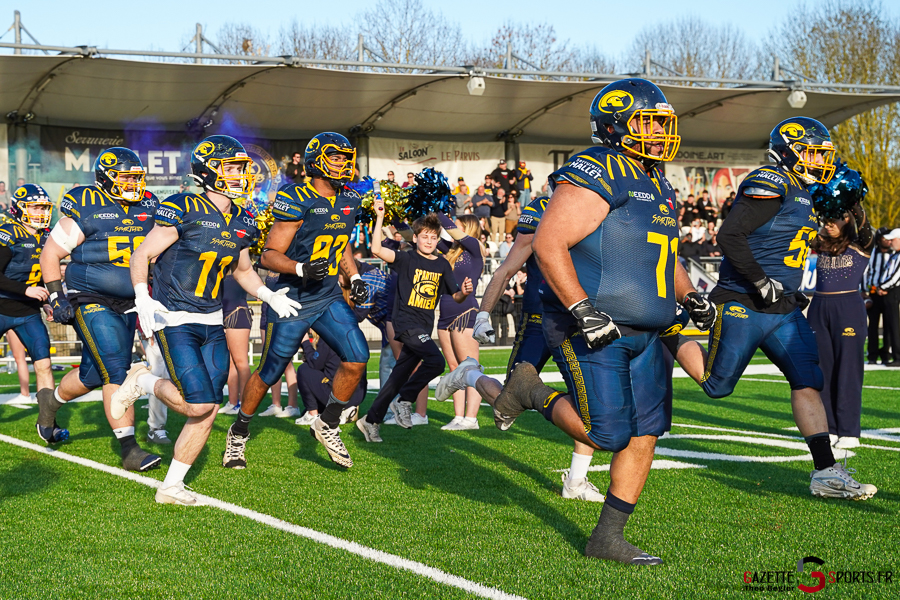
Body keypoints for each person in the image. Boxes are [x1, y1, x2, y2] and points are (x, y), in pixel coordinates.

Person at [475, 79, 718, 565]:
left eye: (661, 123)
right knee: (607, 434)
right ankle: (529, 392)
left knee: (647, 432)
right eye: (646, 123)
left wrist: (690, 295)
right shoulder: (599, 166)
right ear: (614, 125)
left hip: (649, 331)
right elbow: (548, 243)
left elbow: (660, 253)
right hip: (597, 327)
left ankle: (607, 537)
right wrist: (583, 309)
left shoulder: (656, 180)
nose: (658, 133)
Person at [673, 117, 877, 500]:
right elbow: (730, 234)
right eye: (811, 151)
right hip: (744, 302)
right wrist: (759, 280)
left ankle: (825, 472)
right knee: (718, 387)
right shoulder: (771, 180)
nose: (818, 159)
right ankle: (668, 332)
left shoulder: (805, 190)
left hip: (784, 308)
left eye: (821, 153)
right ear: (787, 150)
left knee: (807, 380)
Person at [115, 135, 300, 505]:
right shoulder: (182, 205)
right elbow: (142, 254)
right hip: (175, 317)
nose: (240, 174)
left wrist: (265, 294)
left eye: (242, 168)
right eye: (231, 167)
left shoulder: (244, 218)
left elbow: (243, 269)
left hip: (213, 319)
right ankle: (144, 380)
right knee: (197, 404)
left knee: (210, 407)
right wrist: (141, 295)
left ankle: (170, 487)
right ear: (208, 170)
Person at [222, 132, 369, 470]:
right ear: (317, 159)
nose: (343, 163)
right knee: (270, 372)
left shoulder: (349, 199)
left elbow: (340, 243)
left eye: (347, 158)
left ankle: (327, 423)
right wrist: (301, 267)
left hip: (328, 294)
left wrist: (355, 277)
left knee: (357, 357)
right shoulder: (297, 197)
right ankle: (239, 431)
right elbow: (269, 256)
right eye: (336, 157)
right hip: (292, 297)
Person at [38, 149, 162, 469]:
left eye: (137, 176)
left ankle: (50, 403)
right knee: (116, 368)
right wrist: (56, 298)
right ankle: (129, 449)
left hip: (131, 301)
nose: (134, 183)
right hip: (89, 296)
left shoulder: (148, 205)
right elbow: (50, 255)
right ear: (105, 177)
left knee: (92, 375)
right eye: (126, 176)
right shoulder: (86, 204)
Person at [356, 205, 472, 442]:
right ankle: (404, 400)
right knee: (436, 361)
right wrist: (379, 218)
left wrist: (466, 292)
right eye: (425, 237)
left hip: (424, 325)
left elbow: (455, 295)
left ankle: (370, 420)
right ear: (416, 237)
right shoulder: (405, 258)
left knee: (397, 376)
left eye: (433, 237)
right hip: (406, 324)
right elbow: (376, 249)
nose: (429, 241)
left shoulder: (441, 264)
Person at [808, 192, 874, 450]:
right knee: (822, 370)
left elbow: (866, 225)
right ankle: (829, 428)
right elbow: (803, 223)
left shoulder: (861, 244)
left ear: (847, 220)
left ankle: (849, 430)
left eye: (835, 218)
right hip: (819, 307)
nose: (828, 223)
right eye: (826, 218)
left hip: (848, 308)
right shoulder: (820, 242)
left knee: (848, 370)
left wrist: (851, 200)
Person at [0, 185, 57, 438]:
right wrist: (26, 290)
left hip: (27, 311)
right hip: (1, 306)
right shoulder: (7, 233)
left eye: (44, 207)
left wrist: (46, 299)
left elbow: (43, 274)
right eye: (35, 207)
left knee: (44, 363)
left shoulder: (47, 236)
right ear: (19, 208)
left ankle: (47, 424)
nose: (41, 212)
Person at [435, 214, 484, 430]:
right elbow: (415, 237)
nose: (452, 230)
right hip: (445, 311)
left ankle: (471, 418)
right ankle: (458, 417)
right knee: (454, 368)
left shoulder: (474, 248)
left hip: (465, 311)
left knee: (470, 367)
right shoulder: (451, 251)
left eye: (459, 226)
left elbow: (447, 225)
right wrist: (399, 218)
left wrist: (436, 208)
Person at [296, 331, 366, 424]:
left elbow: (315, 363)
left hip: (339, 391)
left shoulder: (328, 336)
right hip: (357, 393)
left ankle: (312, 414)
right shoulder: (355, 333)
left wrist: (305, 342)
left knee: (304, 369)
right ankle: (347, 409)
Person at [219, 273, 252, 415]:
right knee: (230, 363)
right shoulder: (221, 269)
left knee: (241, 362)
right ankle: (232, 402)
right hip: (223, 316)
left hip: (237, 314)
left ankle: (246, 404)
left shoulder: (241, 271)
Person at [863, 227, 894, 363]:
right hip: (874, 293)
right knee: (873, 325)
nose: (887, 241)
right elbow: (865, 272)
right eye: (884, 238)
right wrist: (865, 291)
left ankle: (886, 354)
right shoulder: (873, 253)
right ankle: (872, 355)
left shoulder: (894, 255)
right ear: (879, 239)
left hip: (888, 293)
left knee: (888, 325)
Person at [878, 228, 900, 365]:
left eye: (893, 239)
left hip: (893, 292)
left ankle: (898, 356)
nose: (890, 242)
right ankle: (888, 353)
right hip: (887, 292)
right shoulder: (894, 255)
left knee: (894, 325)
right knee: (888, 325)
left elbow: (896, 276)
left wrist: (883, 287)